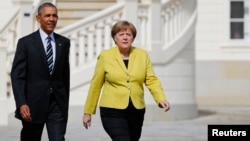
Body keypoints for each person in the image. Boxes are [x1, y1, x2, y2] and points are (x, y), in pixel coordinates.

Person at [82, 20, 170, 141]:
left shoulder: (142, 55)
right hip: (112, 111)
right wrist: (88, 111)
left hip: (136, 111)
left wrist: (161, 98)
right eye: (121, 34)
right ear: (115, 38)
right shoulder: (106, 56)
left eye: (129, 35)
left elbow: (151, 80)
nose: (125, 38)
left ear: (133, 38)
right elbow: (95, 85)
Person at [10, 2, 70, 141]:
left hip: (57, 105)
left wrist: (64, 102)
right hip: (32, 105)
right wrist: (21, 103)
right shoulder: (26, 43)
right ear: (38, 18)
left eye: (54, 15)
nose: (51, 19)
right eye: (47, 15)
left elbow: (65, 75)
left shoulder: (64, 42)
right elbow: (17, 76)